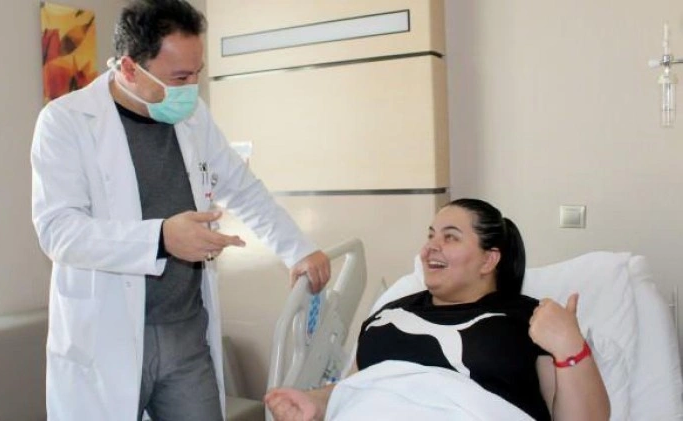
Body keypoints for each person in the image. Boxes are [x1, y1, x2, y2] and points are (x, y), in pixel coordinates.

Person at [31, 1, 331, 420]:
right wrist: (161, 238)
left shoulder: (191, 116)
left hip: (186, 331)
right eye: (180, 77)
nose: (192, 88)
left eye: (196, 73)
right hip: (108, 335)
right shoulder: (66, 122)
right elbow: (58, 230)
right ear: (130, 68)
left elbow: (241, 188)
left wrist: (297, 248)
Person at [265, 198, 610, 421]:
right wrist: (316, 403)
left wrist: (569, 346)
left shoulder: (529, 319)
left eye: (450, 237)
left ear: (489, 259)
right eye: (431, 235)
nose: (430, 247)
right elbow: (357, 388)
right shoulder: (387, 315)